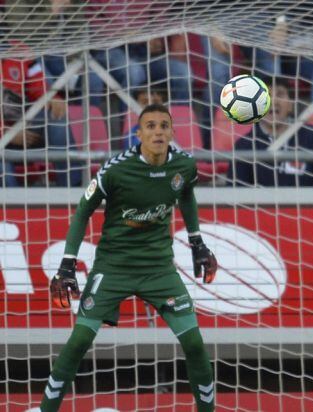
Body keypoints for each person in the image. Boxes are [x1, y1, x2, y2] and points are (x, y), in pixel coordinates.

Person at [38, 104, 218, 411]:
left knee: (194, 344)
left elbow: (186, 194)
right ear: (139, 134)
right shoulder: (116, 169)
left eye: (164, 125)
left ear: (173, 132)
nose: (158, 131)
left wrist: (197, 243)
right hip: (113, 267)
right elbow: (83, 210)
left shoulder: (185, 166)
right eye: (150, 126)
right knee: (79, 341)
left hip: (159, 268)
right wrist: (67, 264)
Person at [228, 80, 313, 187]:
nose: (273, 100)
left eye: (280, 94)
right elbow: (236, 194)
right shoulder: (244, 145)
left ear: (291, 105)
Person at [1, 47, 82, 187]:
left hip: (22, 125)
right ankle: (13, 205)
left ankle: (73, 188)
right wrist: (5, 132)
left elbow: (37, 83)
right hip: (5, 136)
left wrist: (51, 97)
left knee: (56, 118)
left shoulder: (19, 49)